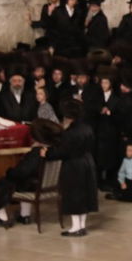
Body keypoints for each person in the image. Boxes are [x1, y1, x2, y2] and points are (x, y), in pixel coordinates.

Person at [48, 99, 98, 236]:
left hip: (73, 165)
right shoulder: (88, 128)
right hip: (87, 162)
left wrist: (47, 153)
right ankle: (82, 226)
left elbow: (63, 152)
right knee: (84, 194)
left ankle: (75, 227)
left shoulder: (69, 133)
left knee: (74, 195)